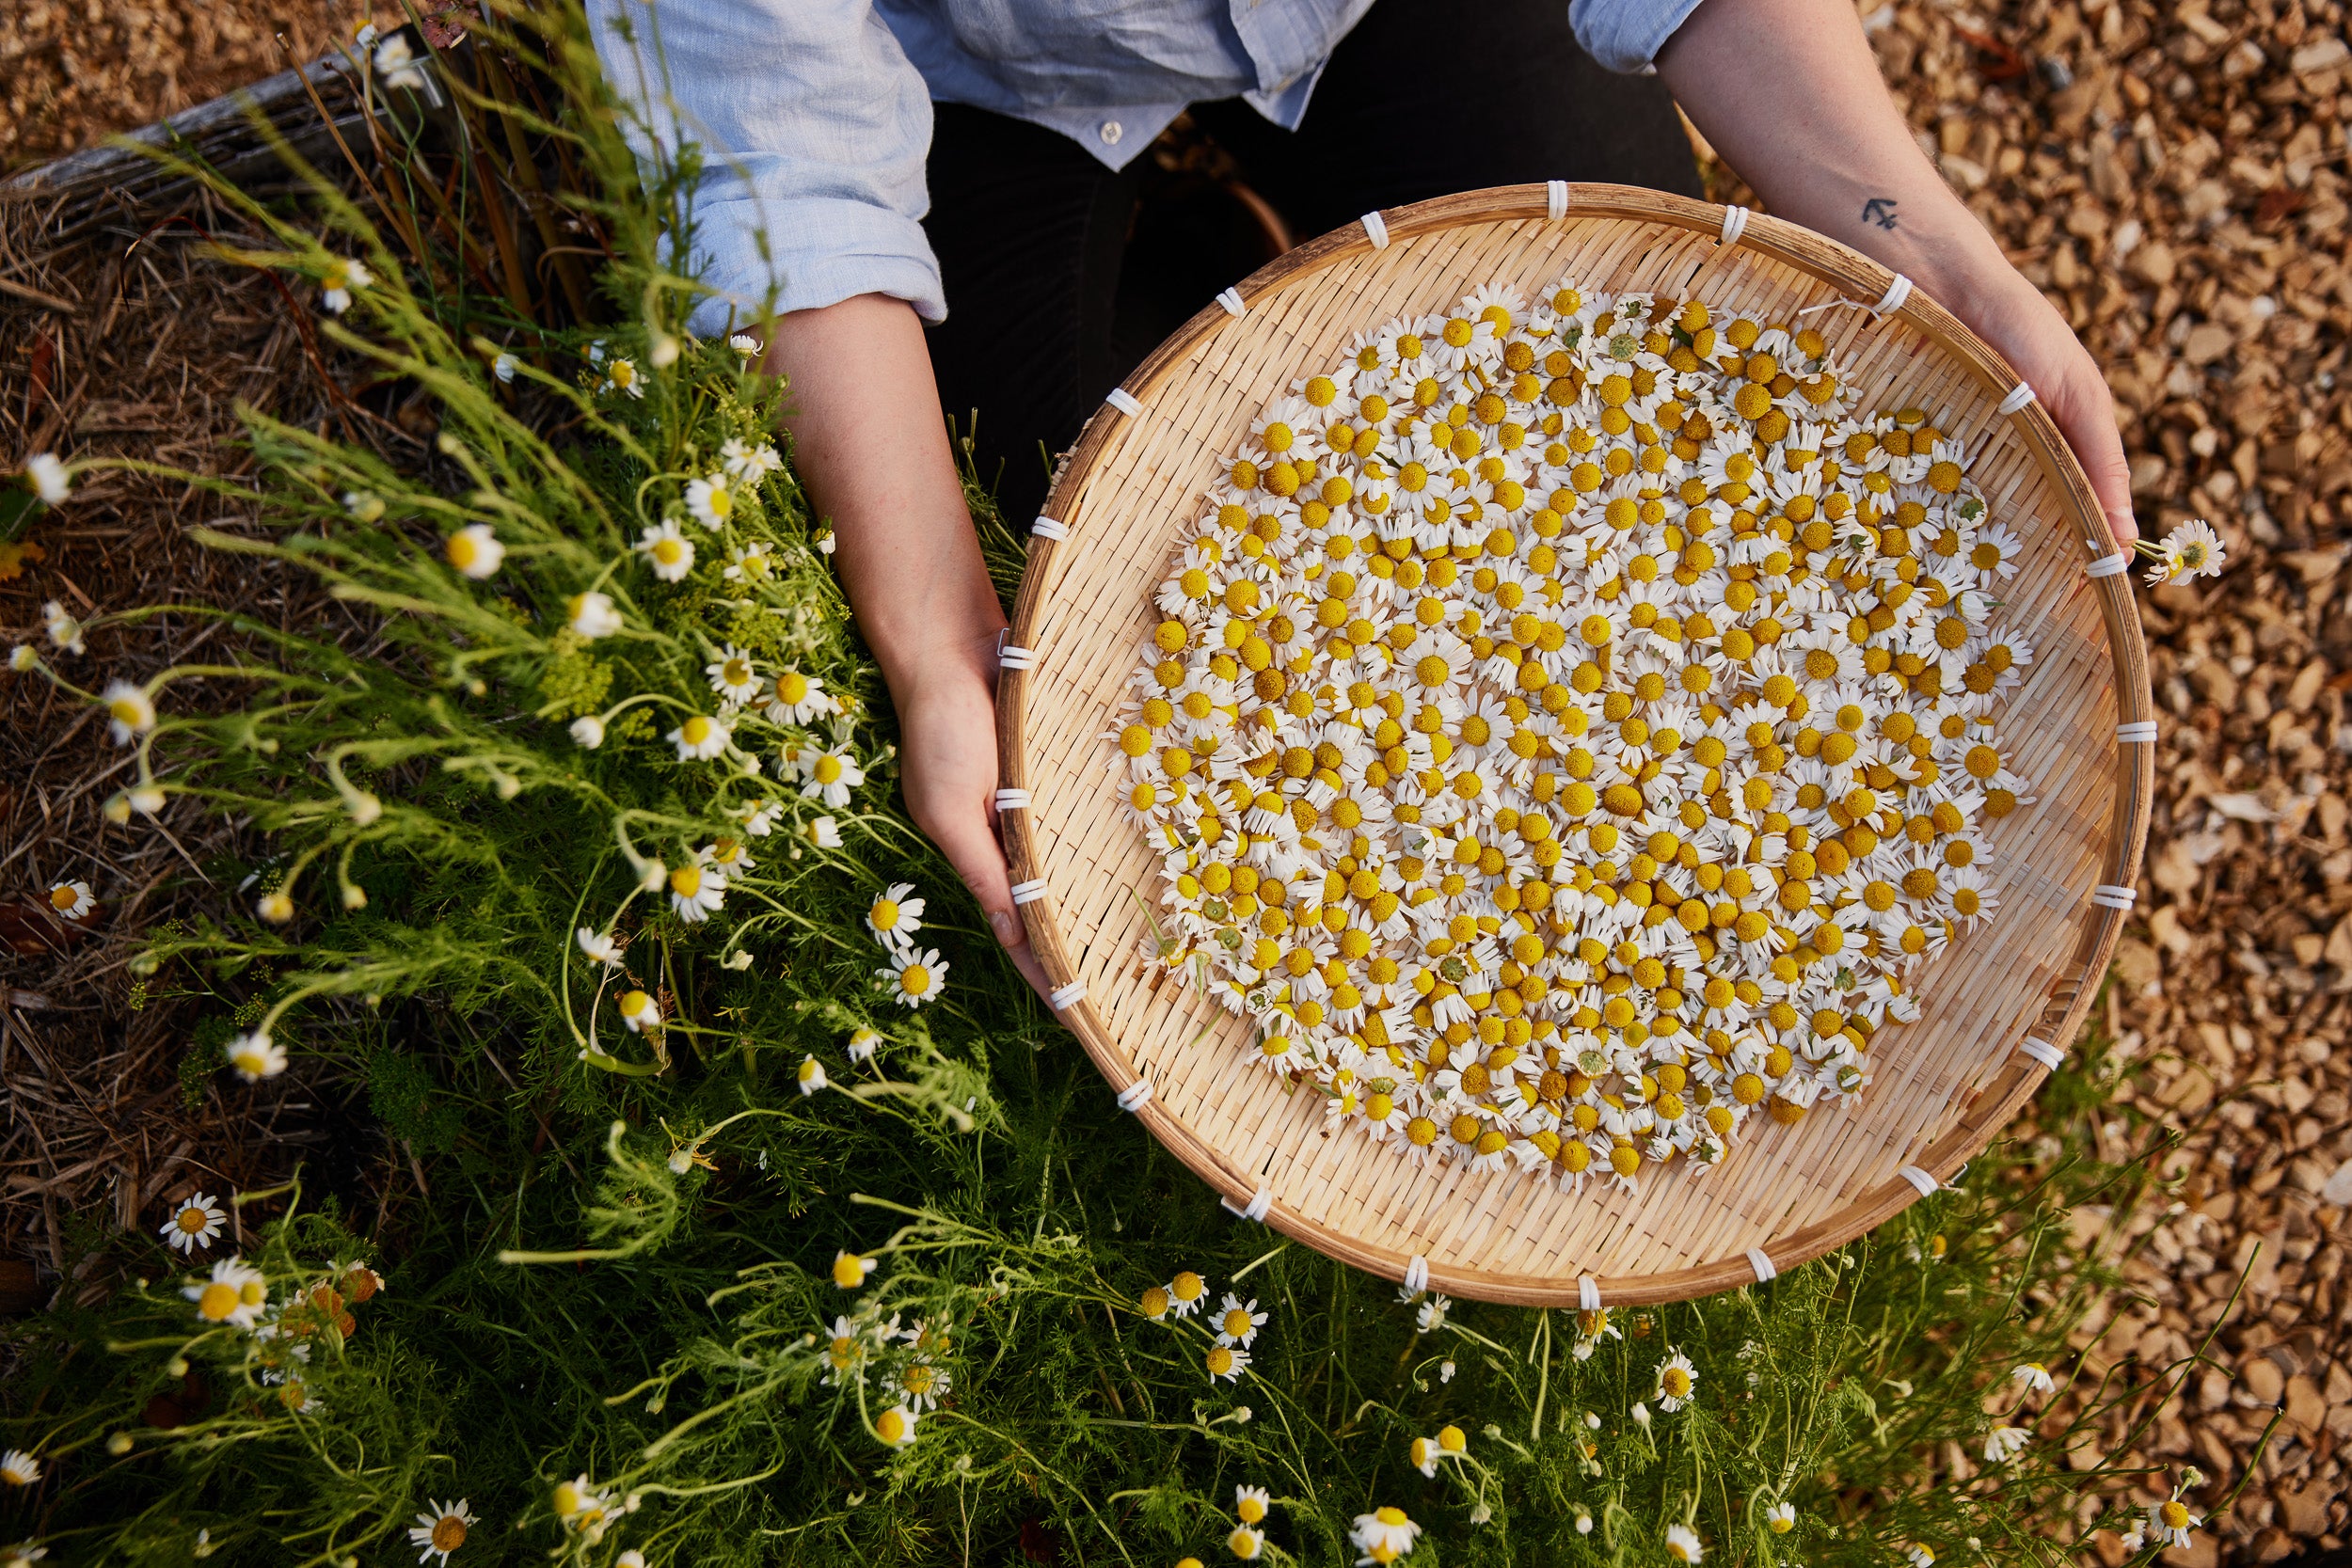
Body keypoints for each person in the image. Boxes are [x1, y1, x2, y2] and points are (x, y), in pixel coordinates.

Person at [590, 0, 2137, 1001]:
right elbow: (776, 169)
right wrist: (934, 639)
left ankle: (1241, 261)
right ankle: (1202, 262)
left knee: (1625, 357)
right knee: (1087, 617)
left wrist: (1937, 260)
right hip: (980, 76)